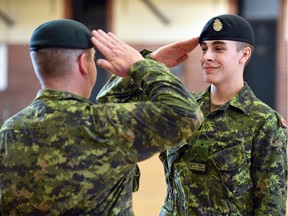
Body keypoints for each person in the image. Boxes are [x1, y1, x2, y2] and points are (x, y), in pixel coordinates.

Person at [0, 19, 203, 215]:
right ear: (83, 63)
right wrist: (141, 65)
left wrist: (150, 61)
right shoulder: (105, 125)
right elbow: (185, 113)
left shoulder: (7, 133)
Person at [96, 14, 288, 215]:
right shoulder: (181, 110)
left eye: (219, 48)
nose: (207, 57)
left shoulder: (264, 122)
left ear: (244, 54)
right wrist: (153, 62)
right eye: (204, 49)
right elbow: (108, 109)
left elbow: (270, 208)